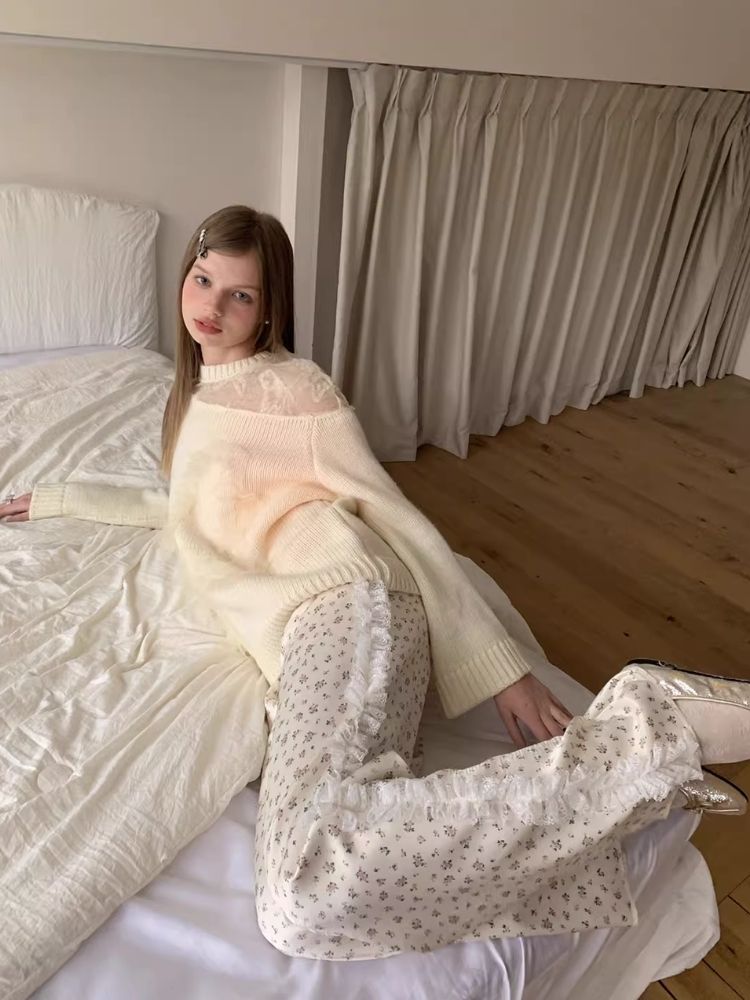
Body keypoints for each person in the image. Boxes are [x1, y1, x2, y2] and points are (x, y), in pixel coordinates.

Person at [1, 205, 749, 961]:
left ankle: (652, 727)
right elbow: (186, 509)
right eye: (203, 280)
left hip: (349, 605)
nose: (212, 307)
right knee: (311, 890)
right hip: (306, 633)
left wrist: (501, 669)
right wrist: (66, 499)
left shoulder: (295, 390)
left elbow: (400, 519)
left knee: (302, 889)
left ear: (270, 309)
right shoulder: (196, 396)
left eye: (240, 295)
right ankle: (636, 772)